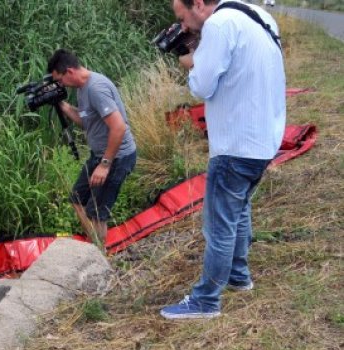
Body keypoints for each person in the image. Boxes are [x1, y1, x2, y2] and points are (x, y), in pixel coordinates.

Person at [160, 0, 286, 319]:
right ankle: (238, 276)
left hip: (235, 145)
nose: (184, 27)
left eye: (183, 18)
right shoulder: (257, 14)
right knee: (239, 211)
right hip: (263, 140)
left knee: (219, 226)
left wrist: (191, 60)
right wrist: (200, 52)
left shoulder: (218, 25)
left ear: (198, 4)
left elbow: (202, 87)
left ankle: (206, 300)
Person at [47, 49, 137, 248]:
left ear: (69, 71)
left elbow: (119, 127)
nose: (60, 85)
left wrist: (105, 165)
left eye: (60, 80)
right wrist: (63, 105)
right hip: (99, 155)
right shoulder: (81, 88)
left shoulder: (96, 88)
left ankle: (100, 256)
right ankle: (95, 245)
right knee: (77, 199)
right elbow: (86, 121)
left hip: (117, 157)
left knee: (96, 212)